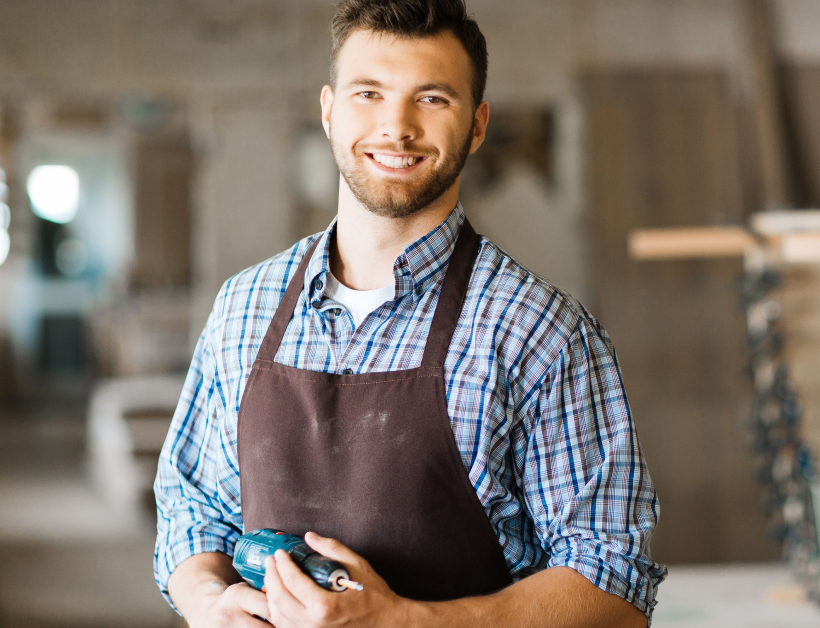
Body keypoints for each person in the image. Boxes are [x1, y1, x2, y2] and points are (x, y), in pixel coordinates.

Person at [152, 0, 665, 625]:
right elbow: (193, 507)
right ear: (328, 109)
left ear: (476, 126)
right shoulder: (244, 307)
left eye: (432, 99)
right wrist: (209, 602)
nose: (396, 127)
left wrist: (402, 621)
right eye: (369, 93)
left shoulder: (540, 332)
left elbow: (612, 585)